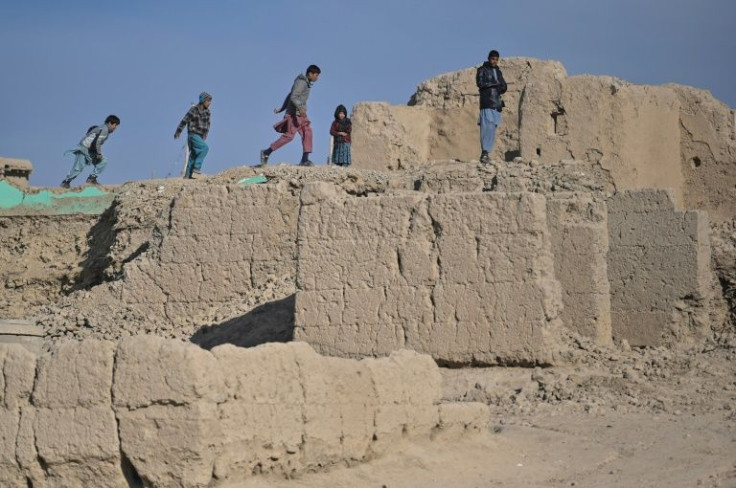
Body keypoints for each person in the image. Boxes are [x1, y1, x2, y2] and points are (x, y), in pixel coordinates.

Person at [260, 65, 321, 167]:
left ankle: (304, 159)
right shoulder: (301, 82)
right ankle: (266, 152)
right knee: (288, 137)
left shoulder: (304, 82)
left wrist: (282, 108)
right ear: (310, 74)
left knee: (308, 132)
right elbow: (293, 96)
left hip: (301, 115)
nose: (317, 78)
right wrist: (300, 107)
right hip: (294, 115)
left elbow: (290, 95)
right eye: (316, 75)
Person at [60, 115, 120, 188]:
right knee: (78, 168)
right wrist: (99, 153)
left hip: (90, 151)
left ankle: (92, 178)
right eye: (115, 125)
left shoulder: (103, 129)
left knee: (103, 161)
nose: (115, 128)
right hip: (84, 149)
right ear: (110, 123)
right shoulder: (104, 129)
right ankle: (66, 182)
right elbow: (96, 143)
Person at [476, 49, 507, 164]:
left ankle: (487, 153)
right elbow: (480, 84)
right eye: (493, 59)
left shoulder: (498, 71)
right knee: (486, 127)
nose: (494, 61)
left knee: (492, 128)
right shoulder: (482, 70)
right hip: (487, 101)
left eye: (496, 59)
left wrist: (499, 87)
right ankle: (484, 153)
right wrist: (495, 84)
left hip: (496, 103)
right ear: (489, 58)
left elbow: (504, 86)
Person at [175, 92, 212, 179]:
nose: (209, 103)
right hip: (193, 134)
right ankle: (196, 169)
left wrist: (205, 134)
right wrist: (178, 131)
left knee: (193, 155)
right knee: (204, 148)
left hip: (200, 136)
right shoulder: (194, 110)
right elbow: (184, 120)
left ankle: (188, 175)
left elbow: (208, 124)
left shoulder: (208, 112)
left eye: (210, 101)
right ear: (203, 101)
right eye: (208, 101)